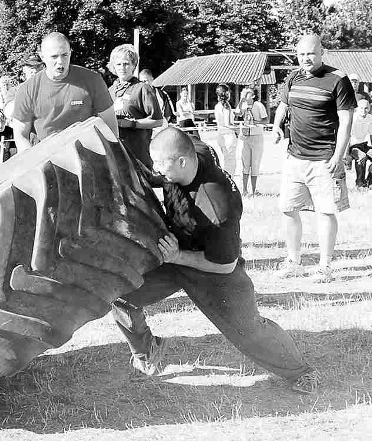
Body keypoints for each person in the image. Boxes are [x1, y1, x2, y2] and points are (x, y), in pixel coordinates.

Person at [111, 127, 320, 394]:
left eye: (161, 164)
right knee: (121, 292)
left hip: (212, 268)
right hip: (174, 253)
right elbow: (157, 171)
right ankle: (147, 349)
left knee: (249, 330)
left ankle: (300, 372)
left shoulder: (216, 206)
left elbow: (225, 264)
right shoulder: (192, 152)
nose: (156, 169)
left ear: (182, 162)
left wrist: (178, 256)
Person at [272, 34, 356, 282]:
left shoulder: (338, 79)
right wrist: (277, 126)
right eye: (301, 54)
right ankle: (293, 261)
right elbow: (283, 106)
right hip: (294, 158)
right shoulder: (293, 77)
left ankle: (325, 266)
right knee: (288, 209)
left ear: (322, 52)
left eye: (310, 53)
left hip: (324, 159)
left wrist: (339, 156)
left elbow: (346, 121)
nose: (306, 58)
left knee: (326, 212)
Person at [11, 32, 118, 153]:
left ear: (70, 53)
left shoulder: (92, 80)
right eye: (54, 57)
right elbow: (21, 135)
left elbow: (110, 126)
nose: (60, 62)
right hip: (46, 159)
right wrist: (30, 161)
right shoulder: (27, 89)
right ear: (42, 57)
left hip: (89, 156)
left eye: (64, 55)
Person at [107, 45, 163, 168]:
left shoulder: (142, 88)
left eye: (126, 64)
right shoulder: (110, 91)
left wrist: (132, 124)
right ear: (113, 67)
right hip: (117, 157)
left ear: (133, 65)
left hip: (138, 157)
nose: (122, 68)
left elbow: (158, 121)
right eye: (118, 64)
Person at [235, 86, 269, 195]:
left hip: (256, 136)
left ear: (253, 96)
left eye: (247, 94)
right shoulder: (243, 105)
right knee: (245, 164)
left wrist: (256, 122)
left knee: (255, 164)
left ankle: (254, 190)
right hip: (245, 137)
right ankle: (244, 190)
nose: (245, 96)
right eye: (244, 94)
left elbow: (266, 120)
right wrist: (241, 100)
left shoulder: (259, 105)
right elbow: (237, 113)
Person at [346, 97, 372, 187]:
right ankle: (360, 183)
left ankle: (369, 181)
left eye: (366, 108)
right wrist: (346, 154)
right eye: (361, 108)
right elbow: (346, 136)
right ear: (357, 108)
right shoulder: (352, 118)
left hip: (363, 144)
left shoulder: (369, 118)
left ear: (369, 108)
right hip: (352, 146)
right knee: (361, 156)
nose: (364, 110)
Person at [214, 83, 237, 177]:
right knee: (231, 163)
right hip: (228, 136)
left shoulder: (217, 106)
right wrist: (238, 129)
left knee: (226, 160)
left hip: (220, 135)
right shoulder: (226, 106)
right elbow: (228, 124)